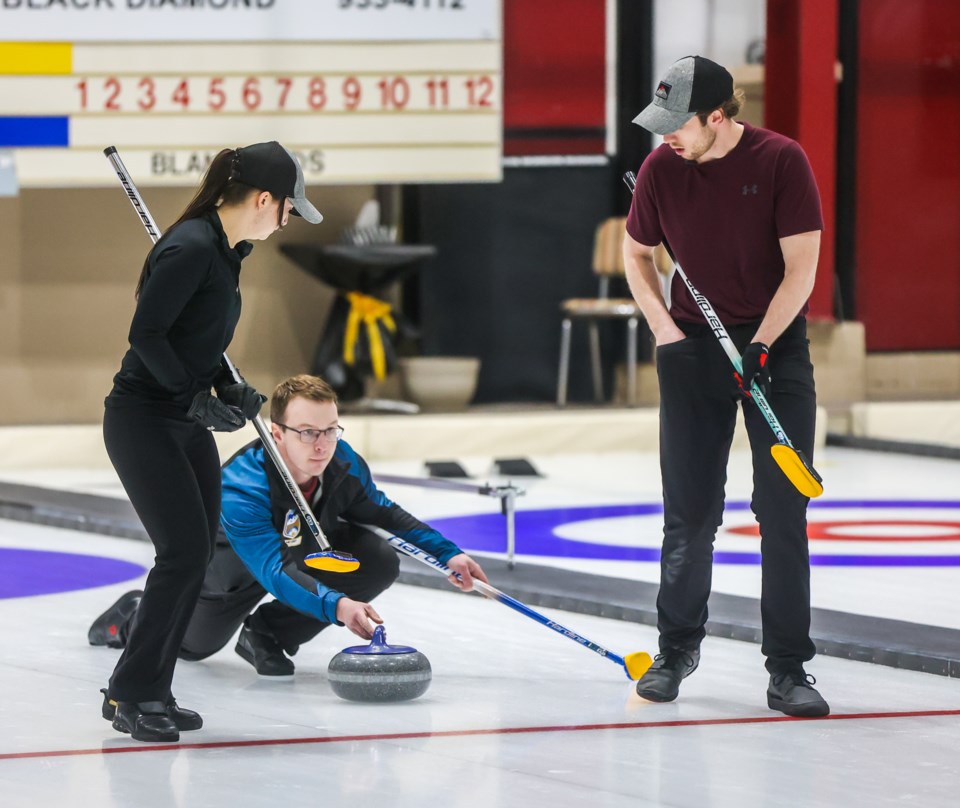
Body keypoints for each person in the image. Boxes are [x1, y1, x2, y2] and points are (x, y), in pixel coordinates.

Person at [91, 375, 489, 727]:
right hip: (234, 575)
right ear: (276, 433)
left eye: (331, 430)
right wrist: (337, 606)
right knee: (194, 648)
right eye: (307, 432)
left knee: (379, 560)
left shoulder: (342, 461)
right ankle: (132, 613)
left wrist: (448, 554)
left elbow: (385, 512)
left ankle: (266, 633)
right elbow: (273, 570)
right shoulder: (243, 487)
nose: (322, 445)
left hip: (302, 555)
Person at [622, 56, 829, 717]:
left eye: (677, 125)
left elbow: (802, 270)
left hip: (775, 347)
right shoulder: (660, 169)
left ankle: (789, 670)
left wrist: (763, 344)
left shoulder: (780, 162)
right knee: (689, 515)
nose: (666, 138)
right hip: (692, 351)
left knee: (782, 511)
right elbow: (636, 253)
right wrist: (665, 331)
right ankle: (675, 650)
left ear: (718, 117)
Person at [100, 142, 323, 743]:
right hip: (144, 418)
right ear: (264, 199)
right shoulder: (192, 246)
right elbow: (145, 333)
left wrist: (230, 387)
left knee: (193, 557)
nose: (288, 220)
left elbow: (196, 338)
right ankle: (133, 692)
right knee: (179, 554)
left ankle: (149, 686)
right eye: (289, 209)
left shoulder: (227, 251)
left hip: (182, 417)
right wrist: (192, 395)